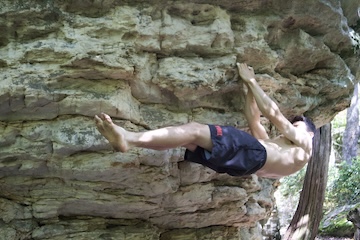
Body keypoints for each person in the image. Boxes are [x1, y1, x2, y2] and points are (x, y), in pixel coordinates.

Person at [94, 63, 316, 179]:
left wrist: (253, 82)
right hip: (243, 166)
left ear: (310, 133)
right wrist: (249, 87)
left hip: (252, 155)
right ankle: (130, 141)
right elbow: (255, 121)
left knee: (194, 130)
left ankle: (129, 138)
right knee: (188, 141)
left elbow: (275, 117)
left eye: (296, 127)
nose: (291, 130)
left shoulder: (306, 144)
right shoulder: (285, 157)